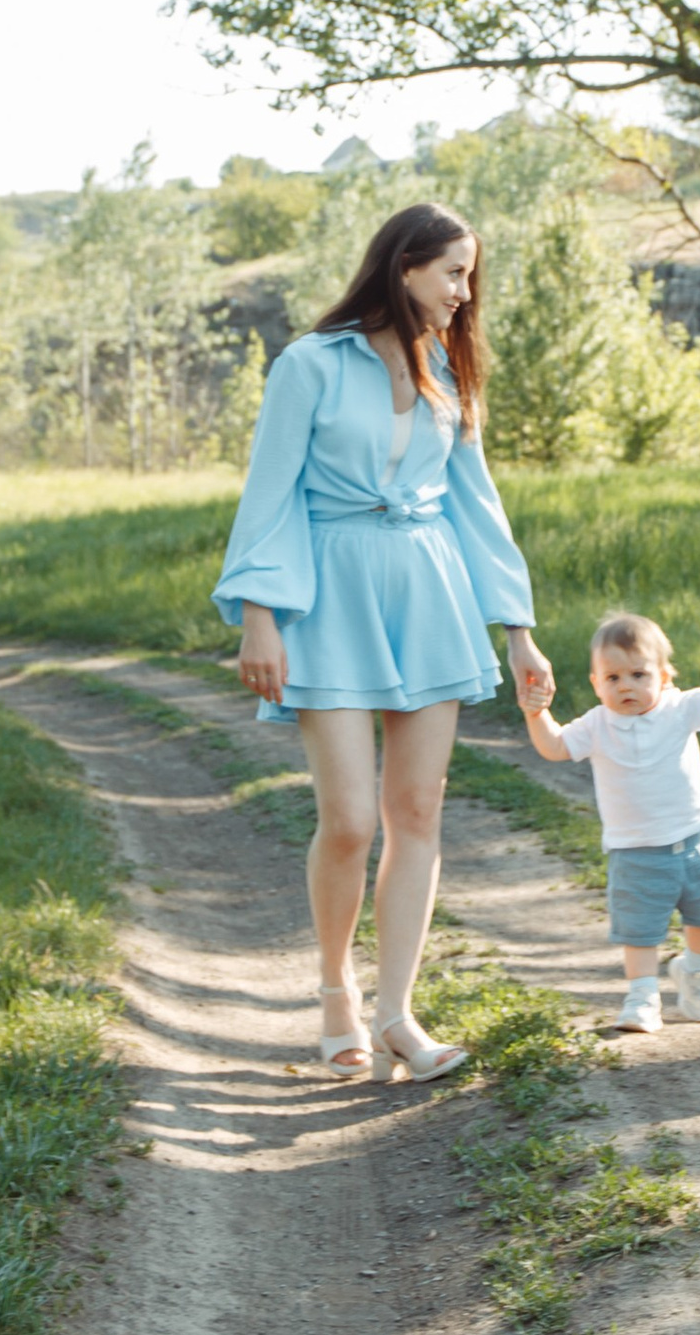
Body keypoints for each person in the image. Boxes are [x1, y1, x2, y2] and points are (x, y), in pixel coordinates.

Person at [216, 201, 550, 1086]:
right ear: (404, 267)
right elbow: (271, 492)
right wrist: (258, 612)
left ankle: (398, 1012)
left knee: (418, 813)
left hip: (429, 592)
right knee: (352, 820)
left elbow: (478, 506)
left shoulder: (449, 369)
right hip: (330, 597)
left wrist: (517, 632)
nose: (463, 291)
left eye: (468, 274)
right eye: (452, 272)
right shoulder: (310, 365)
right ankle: (335, 991)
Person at [516, 609, 700, 1036]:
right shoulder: (597, 725)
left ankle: (695, 973)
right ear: (595, 683)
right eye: (613, 678)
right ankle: (642, 998)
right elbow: (554, 747)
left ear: (664, 676)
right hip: (635, 854)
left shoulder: (680, 708)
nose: (626, 686)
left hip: (694, 843)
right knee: (639, 933)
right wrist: (537, 714)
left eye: (639, 674)